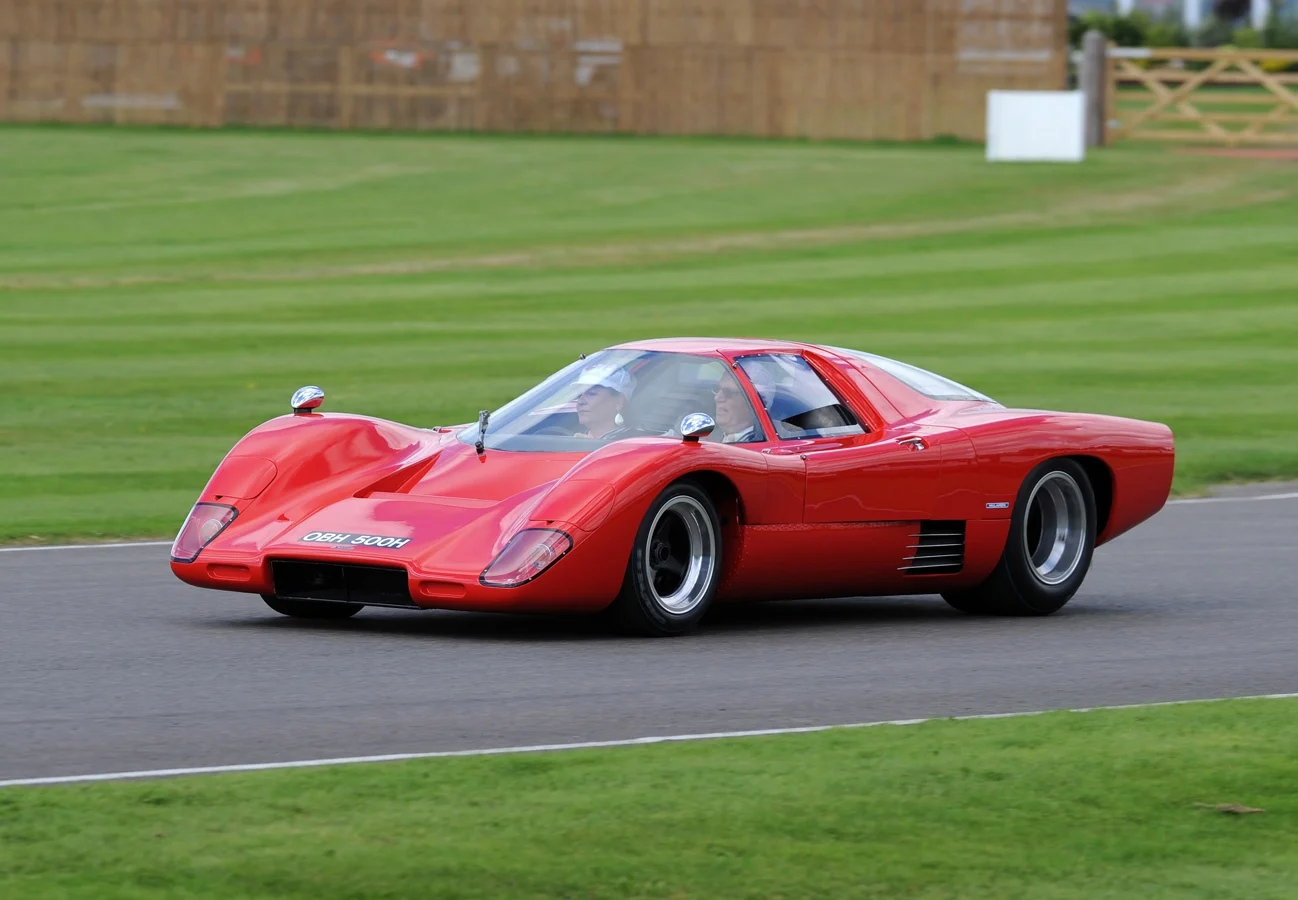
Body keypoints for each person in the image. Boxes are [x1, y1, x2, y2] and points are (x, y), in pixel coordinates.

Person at [572, 363, 636, 440]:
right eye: (579, 395)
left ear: (619, 402)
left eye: (592, 394)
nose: (581, 402)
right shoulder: (573, 441)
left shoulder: (629, 445)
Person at [709, 369, 766, 443]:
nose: (717, 398)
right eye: (717, 388)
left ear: (752, 401)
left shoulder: (762, 445)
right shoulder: (704, 435)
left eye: (728, 392)